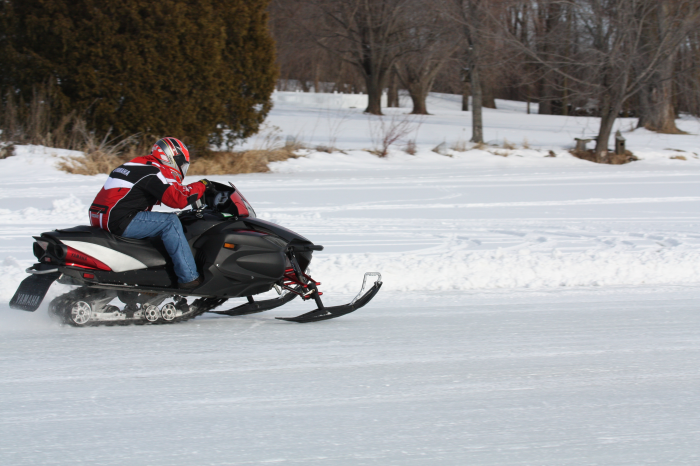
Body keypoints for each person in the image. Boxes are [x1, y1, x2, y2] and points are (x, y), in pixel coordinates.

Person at [88, 137, 211, 289]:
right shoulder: (154, 171)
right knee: (170, 222)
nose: (182, 168)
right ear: (172, 158)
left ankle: (150, 275)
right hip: (118, 220)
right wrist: (202, 185)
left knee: (157, 222)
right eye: (182, 164)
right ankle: (189, 277)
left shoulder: (136, 164)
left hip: (98, 216)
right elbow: (178, 200)